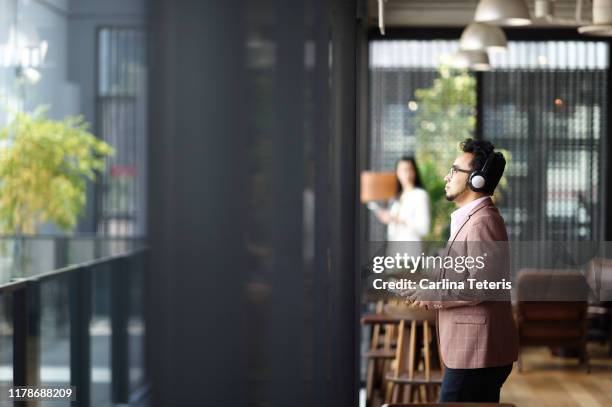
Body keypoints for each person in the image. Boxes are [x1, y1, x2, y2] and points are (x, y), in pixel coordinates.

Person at [406, 138, 518, 403]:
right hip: (471, 350)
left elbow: (482, 285)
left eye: (455, 170)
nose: (447, 176)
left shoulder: (482, 222)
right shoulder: (469, 220)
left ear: (477, 179)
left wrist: (434, 293)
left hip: (478, 352)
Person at [370, 156, 430, 257]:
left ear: (414, 171)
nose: (405, 173)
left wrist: (398, 219)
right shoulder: (397, 197)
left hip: (410, 254)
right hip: (393, 253)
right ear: (397, 173)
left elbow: (424, 228)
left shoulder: (420, 195)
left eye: (408, 169)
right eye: (402, 170)